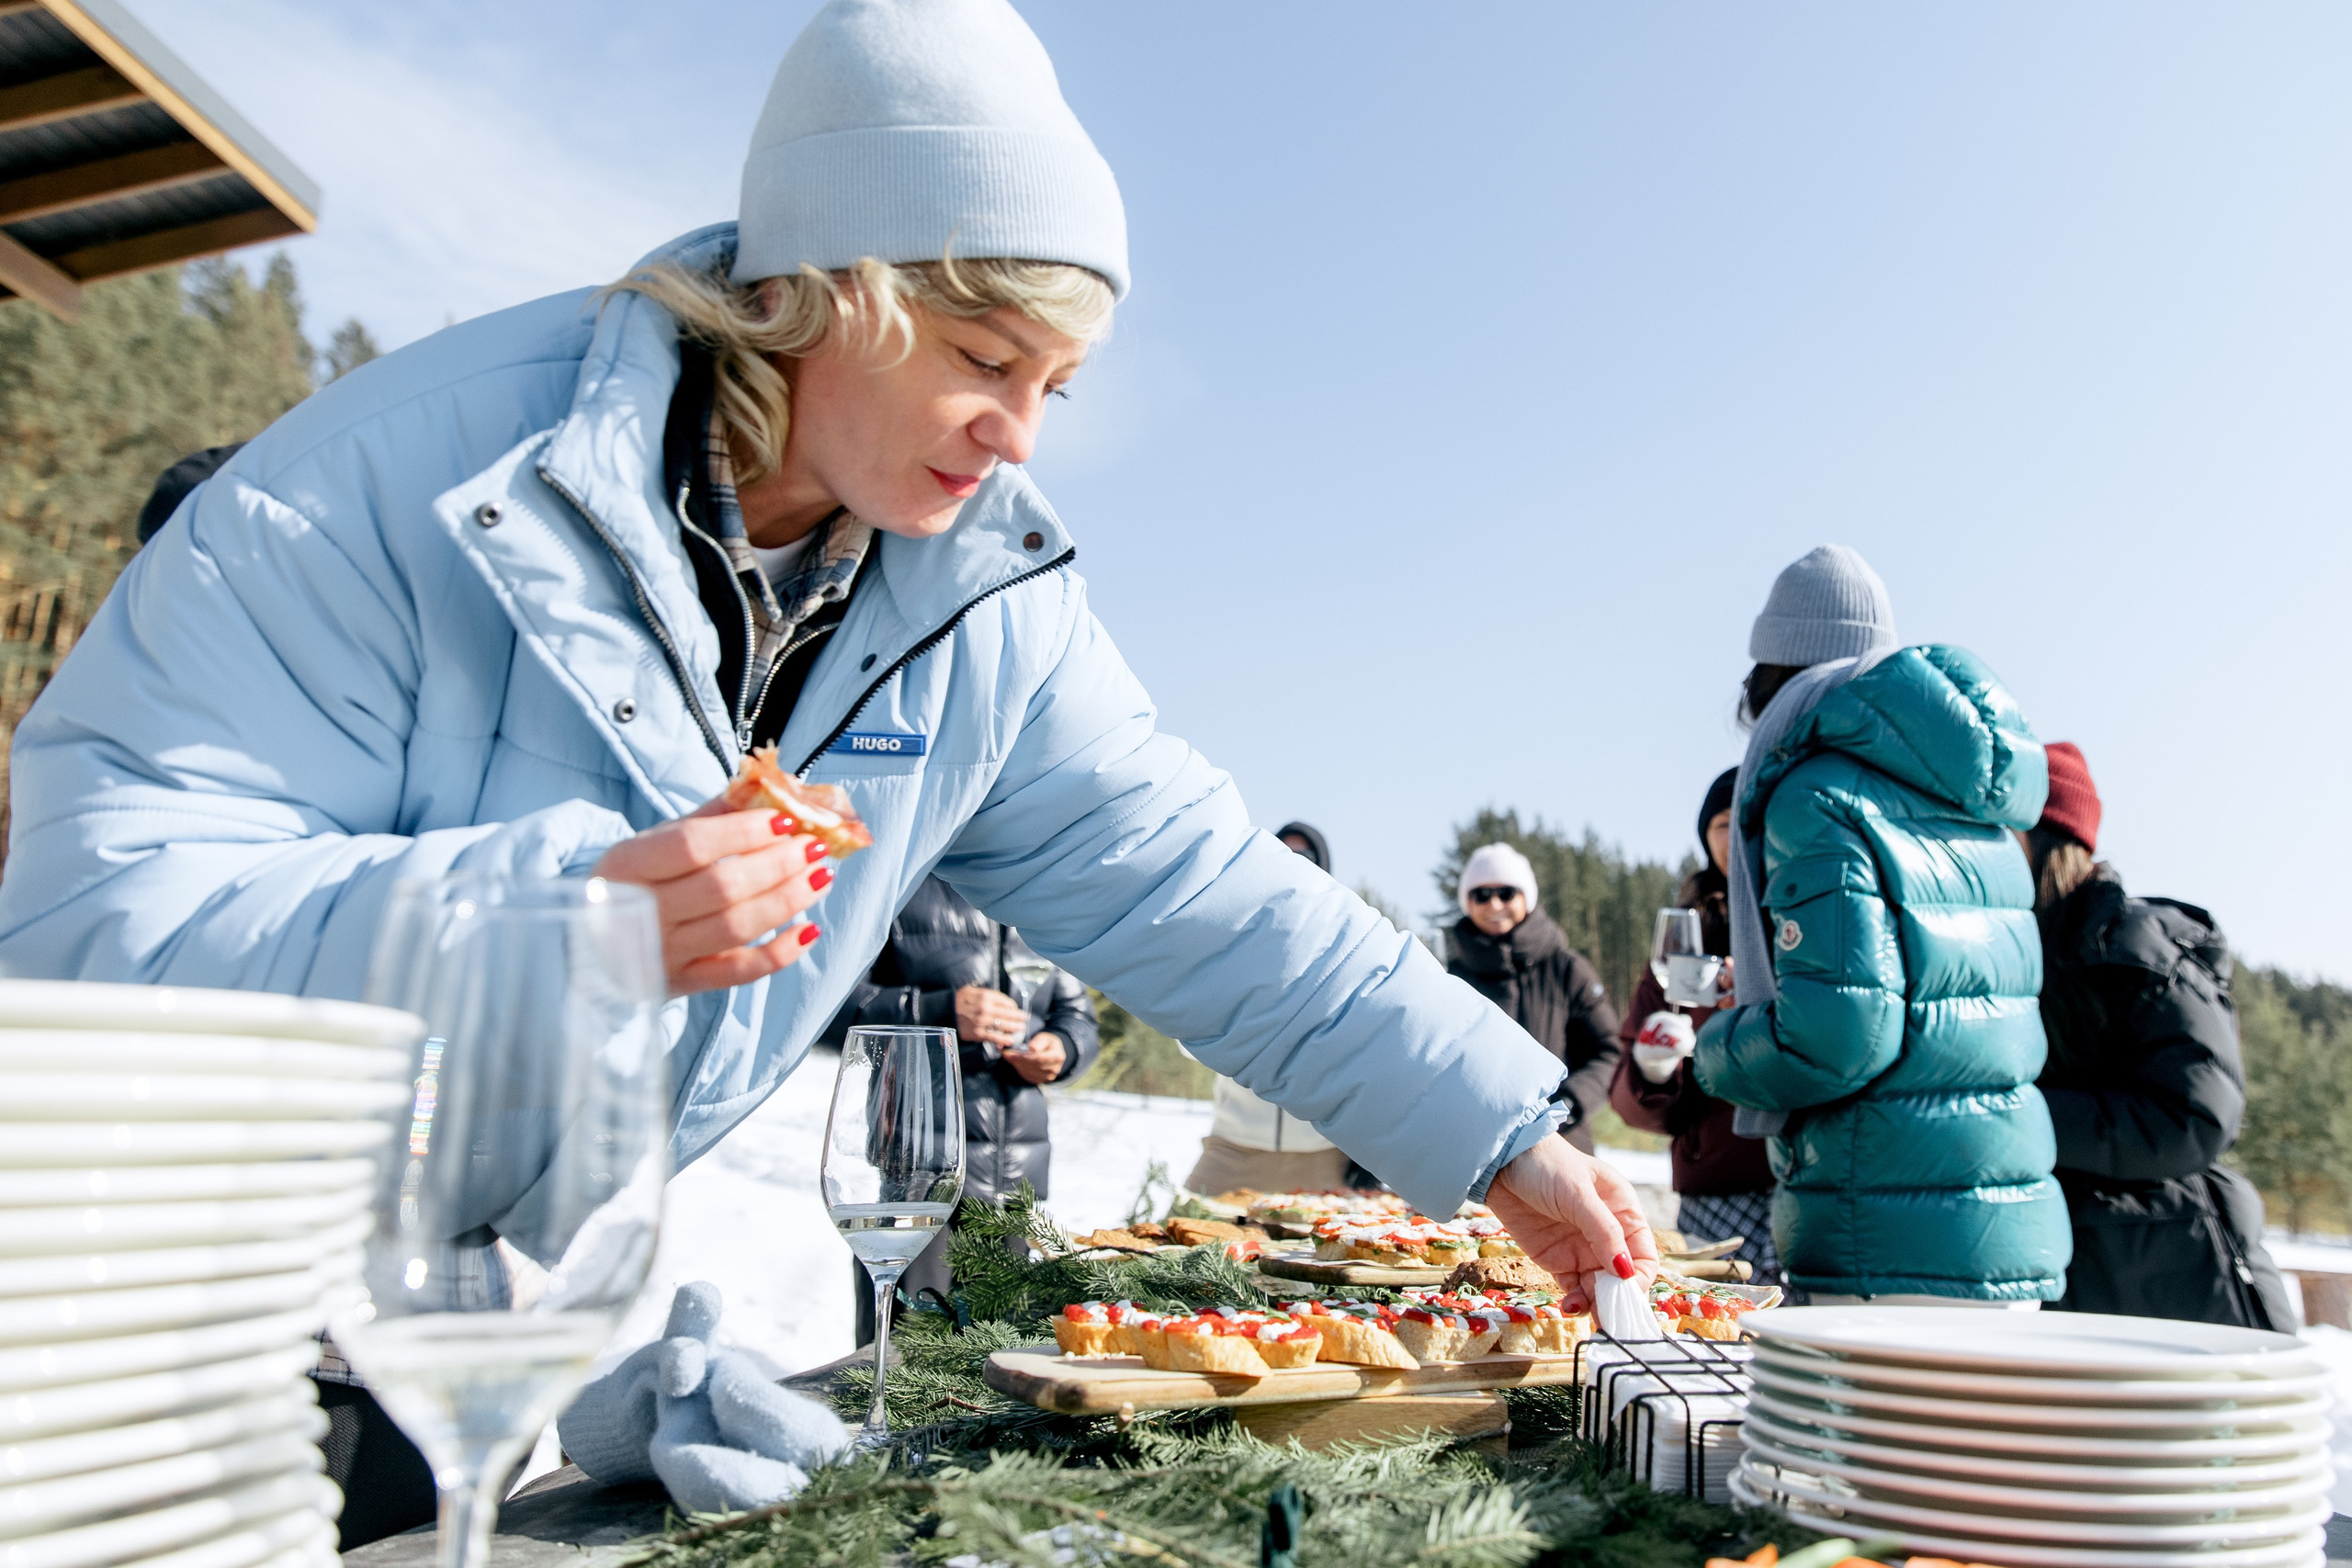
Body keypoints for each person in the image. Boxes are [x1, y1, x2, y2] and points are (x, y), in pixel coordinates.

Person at [0, 0, 1654, 1535]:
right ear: (821, 288)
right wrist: (551, 921)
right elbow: (84, 942)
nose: (1024, 435)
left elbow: (1208, 895)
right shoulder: (390, 486)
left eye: (1059, 386)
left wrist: (1504, 1133)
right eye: (988, 360)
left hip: (439, 1336)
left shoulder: (983, 605)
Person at [1692, 545, 2070, 1304]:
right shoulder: (1973, 802)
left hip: (1886, 1233)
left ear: (1769, 678)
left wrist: (1720, 1045)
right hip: (2001, 1220)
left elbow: (1839, 1035)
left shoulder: (1815, 795)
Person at [2027, 744, 2292, 1327]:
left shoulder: (2140, 946)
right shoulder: (2017, 956)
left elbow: (2196, 1113)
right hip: (2083, 1282)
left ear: (2046, 841)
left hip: (2181, 1279)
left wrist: (2020, 1117)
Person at [824, 874, 1098, 1343]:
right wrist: (938, 1010)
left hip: (1012, 1177)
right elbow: (829, 1010)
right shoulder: (899, 879)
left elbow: (1078, 1017)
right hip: (914, 1167)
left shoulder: (1043, 892)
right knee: (902, 1353)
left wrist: (1064, 1049)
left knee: (1002, 1361)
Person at [1608, 769, 1781, 1283]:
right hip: (1717, 1186)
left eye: (1755, 820)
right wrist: (1653, 1068)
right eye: (1725, 823)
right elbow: (1629, 1090)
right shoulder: (1686, 940)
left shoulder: (1808, 914)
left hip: (1811, 1175)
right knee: (1712, 1333)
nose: (1740, 836)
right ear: (1706, 837)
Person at [1187, 821, 1351, 1196]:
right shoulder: (1231, 938)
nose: (1293, 864)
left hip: (1322, 1155)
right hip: (1234, 1149)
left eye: (1305, 857)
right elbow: (1189, 1032)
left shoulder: (1346, 946)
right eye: (1283, 854)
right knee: (1177, 1246)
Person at [1446, 844, 1622, 1153]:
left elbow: (1608, 1051)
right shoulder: (1448, 976)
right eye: (1481, 895)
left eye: (1506, 892)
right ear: (1467, 902)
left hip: (1561, 1146)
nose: (1494, 904)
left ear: (1527, 897)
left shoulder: (1568, 969)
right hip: (1471, 1154)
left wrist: (1567, 1104)